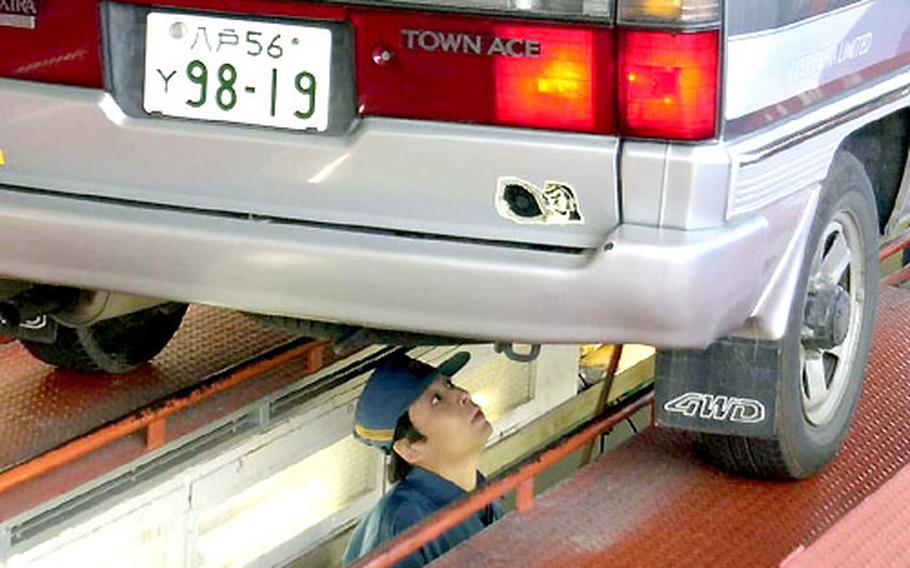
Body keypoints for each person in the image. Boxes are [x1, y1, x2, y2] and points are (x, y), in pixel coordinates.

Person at [342, 351, 504, 567]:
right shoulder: (403, 524)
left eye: (449, 385)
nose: (463, 393)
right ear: (409, 449)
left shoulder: (480, 490)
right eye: (436, 400)